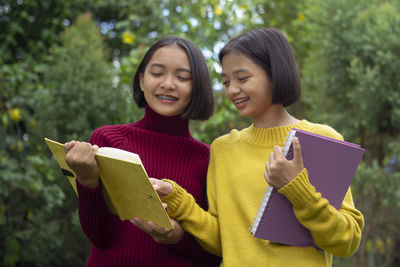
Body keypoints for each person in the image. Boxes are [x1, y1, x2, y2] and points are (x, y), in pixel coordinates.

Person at [146, 28, 364, 266]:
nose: (231, 90)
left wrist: (298, 191)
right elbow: (221, 242)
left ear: (275, 73)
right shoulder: (223, 149)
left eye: (242, 79)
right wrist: (177, 199)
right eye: (226, 82)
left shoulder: (322, 139)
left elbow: (347, 241)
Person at [64, 35, 221, 266]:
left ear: (197, 87)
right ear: (141, 80)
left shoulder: (209, 158)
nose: (168, 83)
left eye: (183, 77)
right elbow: (99, 236)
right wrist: (87, 182)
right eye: (157, 73)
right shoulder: (106, 139)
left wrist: (177, 237)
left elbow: (215, 253)